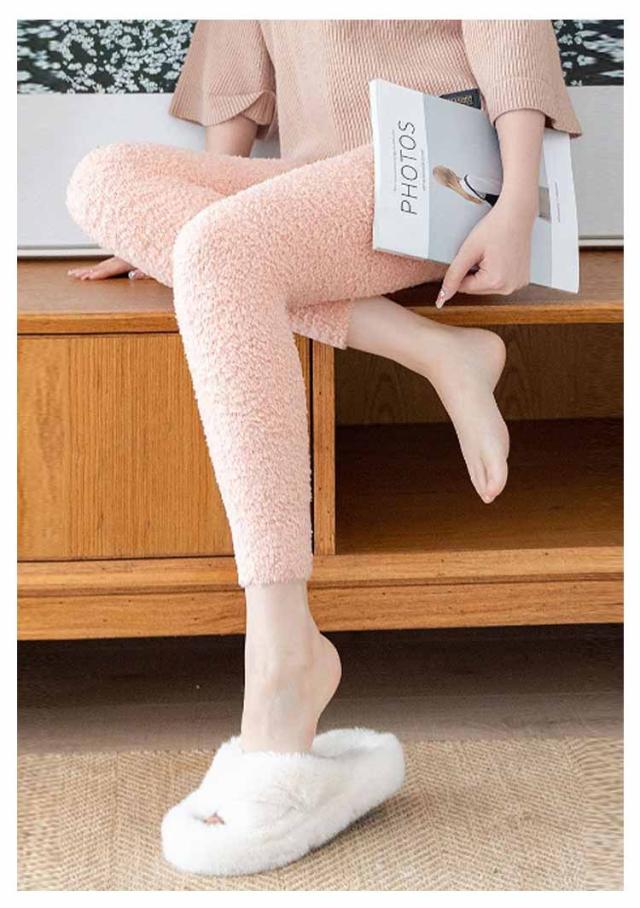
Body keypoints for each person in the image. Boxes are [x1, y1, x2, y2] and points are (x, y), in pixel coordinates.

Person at [65, 20, 582, 874]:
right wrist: (180, 239)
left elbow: (509, 25)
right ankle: (437, 351)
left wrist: (518, 199)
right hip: (310, 189)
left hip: (437, 165)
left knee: (219, 252)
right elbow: (236, 74)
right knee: (102, 177)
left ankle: (282, 658)